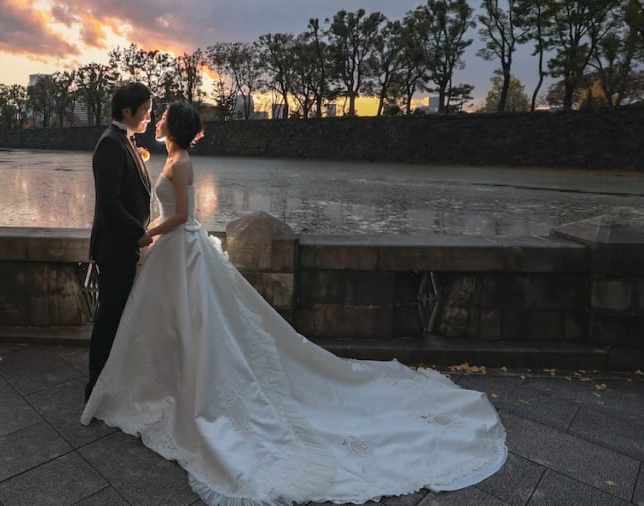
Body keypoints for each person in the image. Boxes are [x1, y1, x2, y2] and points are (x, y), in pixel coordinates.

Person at [82, 102, 508, 505]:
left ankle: (193, 387)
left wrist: (151, 231)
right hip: (174, 251)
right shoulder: (171, 157)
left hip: (180, 246)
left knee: (199, 324)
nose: (156, 121)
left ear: (173, 129)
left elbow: (182, 216)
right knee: (174, 324)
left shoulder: (184, 163)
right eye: (153, 116)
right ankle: (169, 378)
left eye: (163, 119)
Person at [85, 81, 153, 402]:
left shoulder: (124, 140)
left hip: (121, 248)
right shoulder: (111, 144)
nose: (149, 117)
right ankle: (95, 388)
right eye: (145, 111)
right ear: (127, 111)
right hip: (115, 249)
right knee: (109, 319)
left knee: (117, 317)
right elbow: (110, 203)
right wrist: (139, 234)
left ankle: (109, 383)